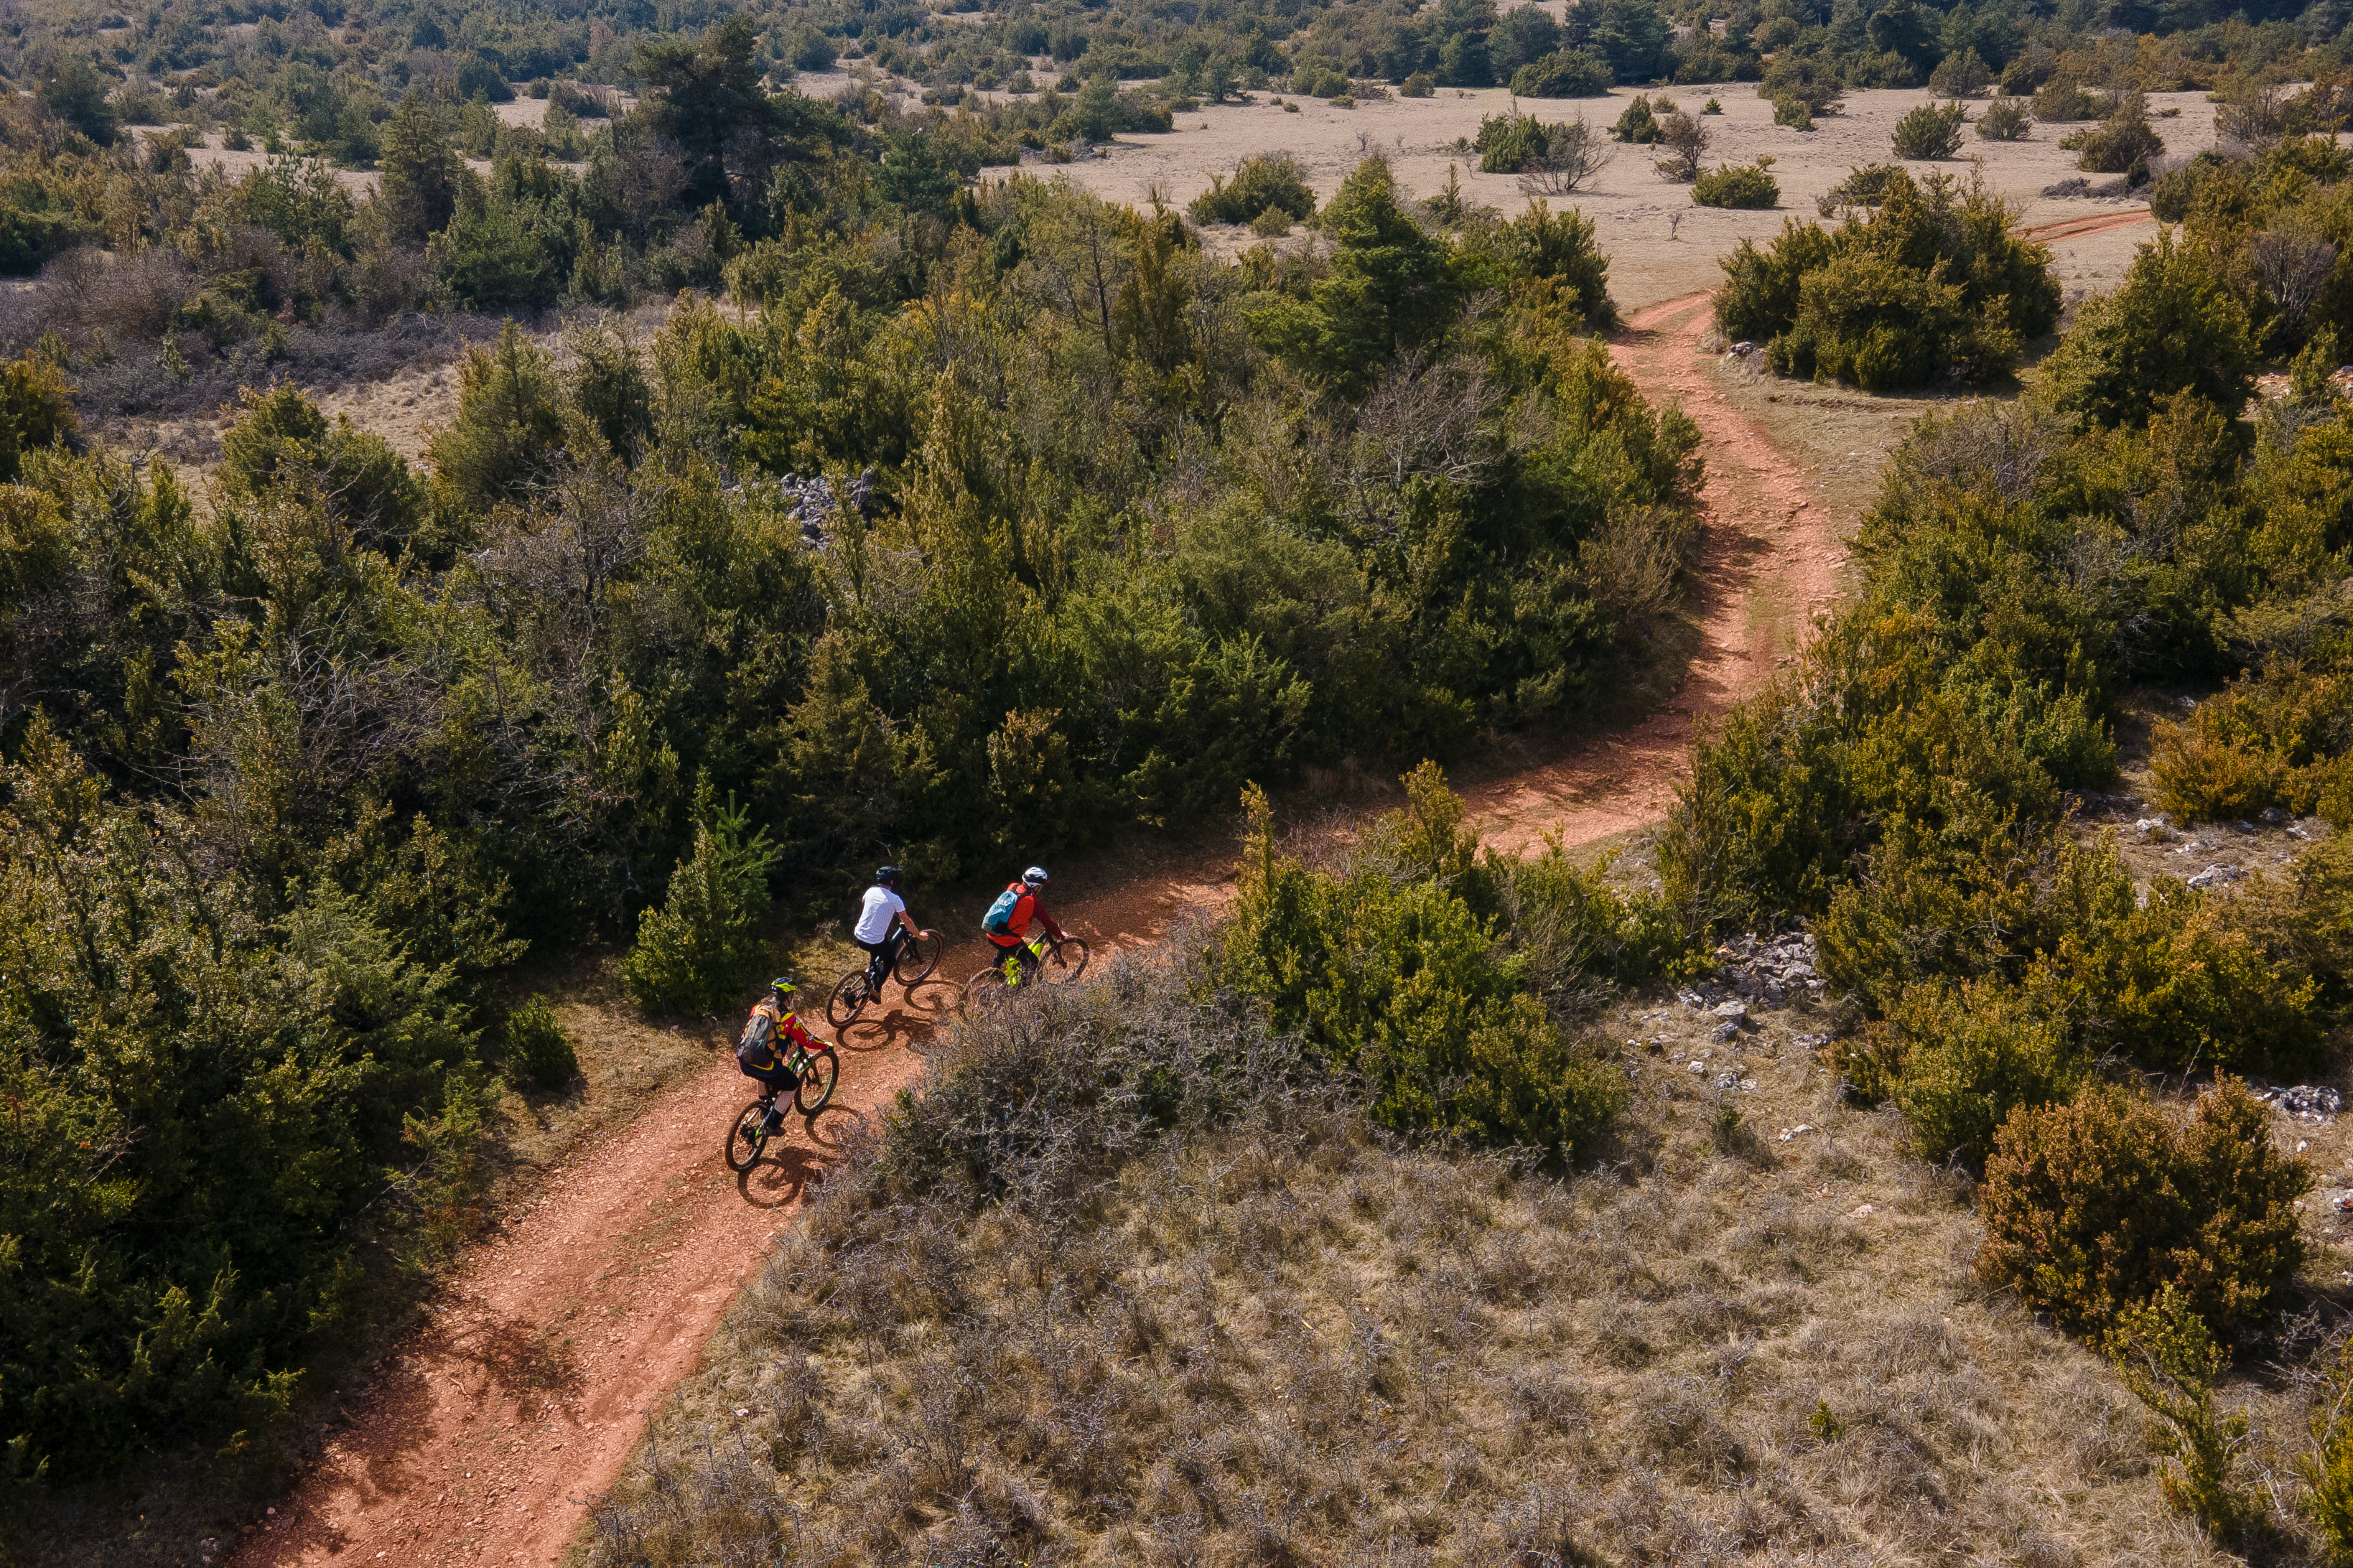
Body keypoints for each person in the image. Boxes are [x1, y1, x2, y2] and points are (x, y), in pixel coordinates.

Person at [736, 977, 821, 1133]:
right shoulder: (788, 1018)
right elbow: (807, 1040)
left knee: (763, 1068)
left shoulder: (758, 1009)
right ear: (789, 997)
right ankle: (773, 1124)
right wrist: (824, 1045)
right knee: (792, 1085)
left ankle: (765, 1103)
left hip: (745, 1061)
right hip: (767, 1067)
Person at [979, 865, 1068, 985]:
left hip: (992, 932)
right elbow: (1048, 923)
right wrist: (1061, 936)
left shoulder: (1013, 887)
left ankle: (989, 978)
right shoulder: (1033, 902)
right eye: (1040, 887)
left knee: (1005, 947)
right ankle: (1020, 993)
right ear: (1035, 887)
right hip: (1007, 939)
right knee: (1032, 962)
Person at [852, 866, 921, 989]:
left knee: (880, 941)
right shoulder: (895, 900)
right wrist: (919, 935)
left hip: (859, 935)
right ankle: (876, 989)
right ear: (892, 881)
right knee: (890, 961)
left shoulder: (870, 891)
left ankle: (871, 971)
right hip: (874, 941)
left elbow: (867, 905)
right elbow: (907, 922)